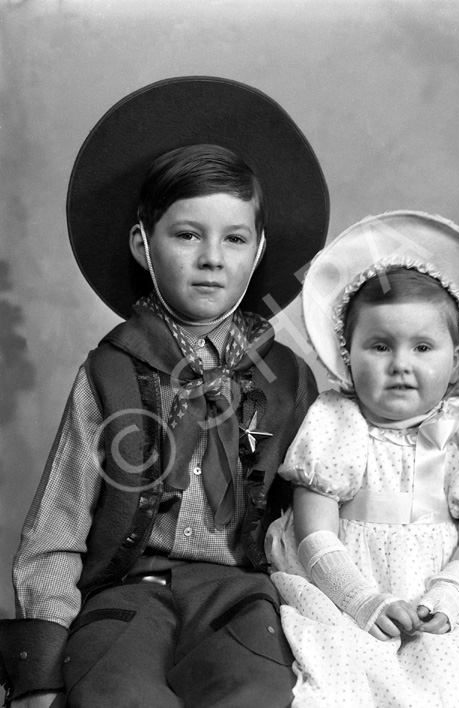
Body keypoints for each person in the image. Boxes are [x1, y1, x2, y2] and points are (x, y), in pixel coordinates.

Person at [0, 77, 330, 708]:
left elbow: (316, 515)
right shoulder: (110, 371)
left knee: (256, 693)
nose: (212, 258)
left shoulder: (287, 377)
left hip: (240, 593)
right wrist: (37, 672)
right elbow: (56, 528)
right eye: (187, 235)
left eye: (234, 238)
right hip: (125, 591)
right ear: (142, 245)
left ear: (259, 251)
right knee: (116, 695)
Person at [265, 211, 459, 707]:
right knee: (341, 684)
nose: (401, 365)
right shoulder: (336, 423)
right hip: (346, 594)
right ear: (348, 355)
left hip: (438, 594)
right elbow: (314, 529)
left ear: (456, 358)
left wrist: (448, 596)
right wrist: (361, 601)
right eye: (380, 346)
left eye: (423, 347)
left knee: (458, 686)